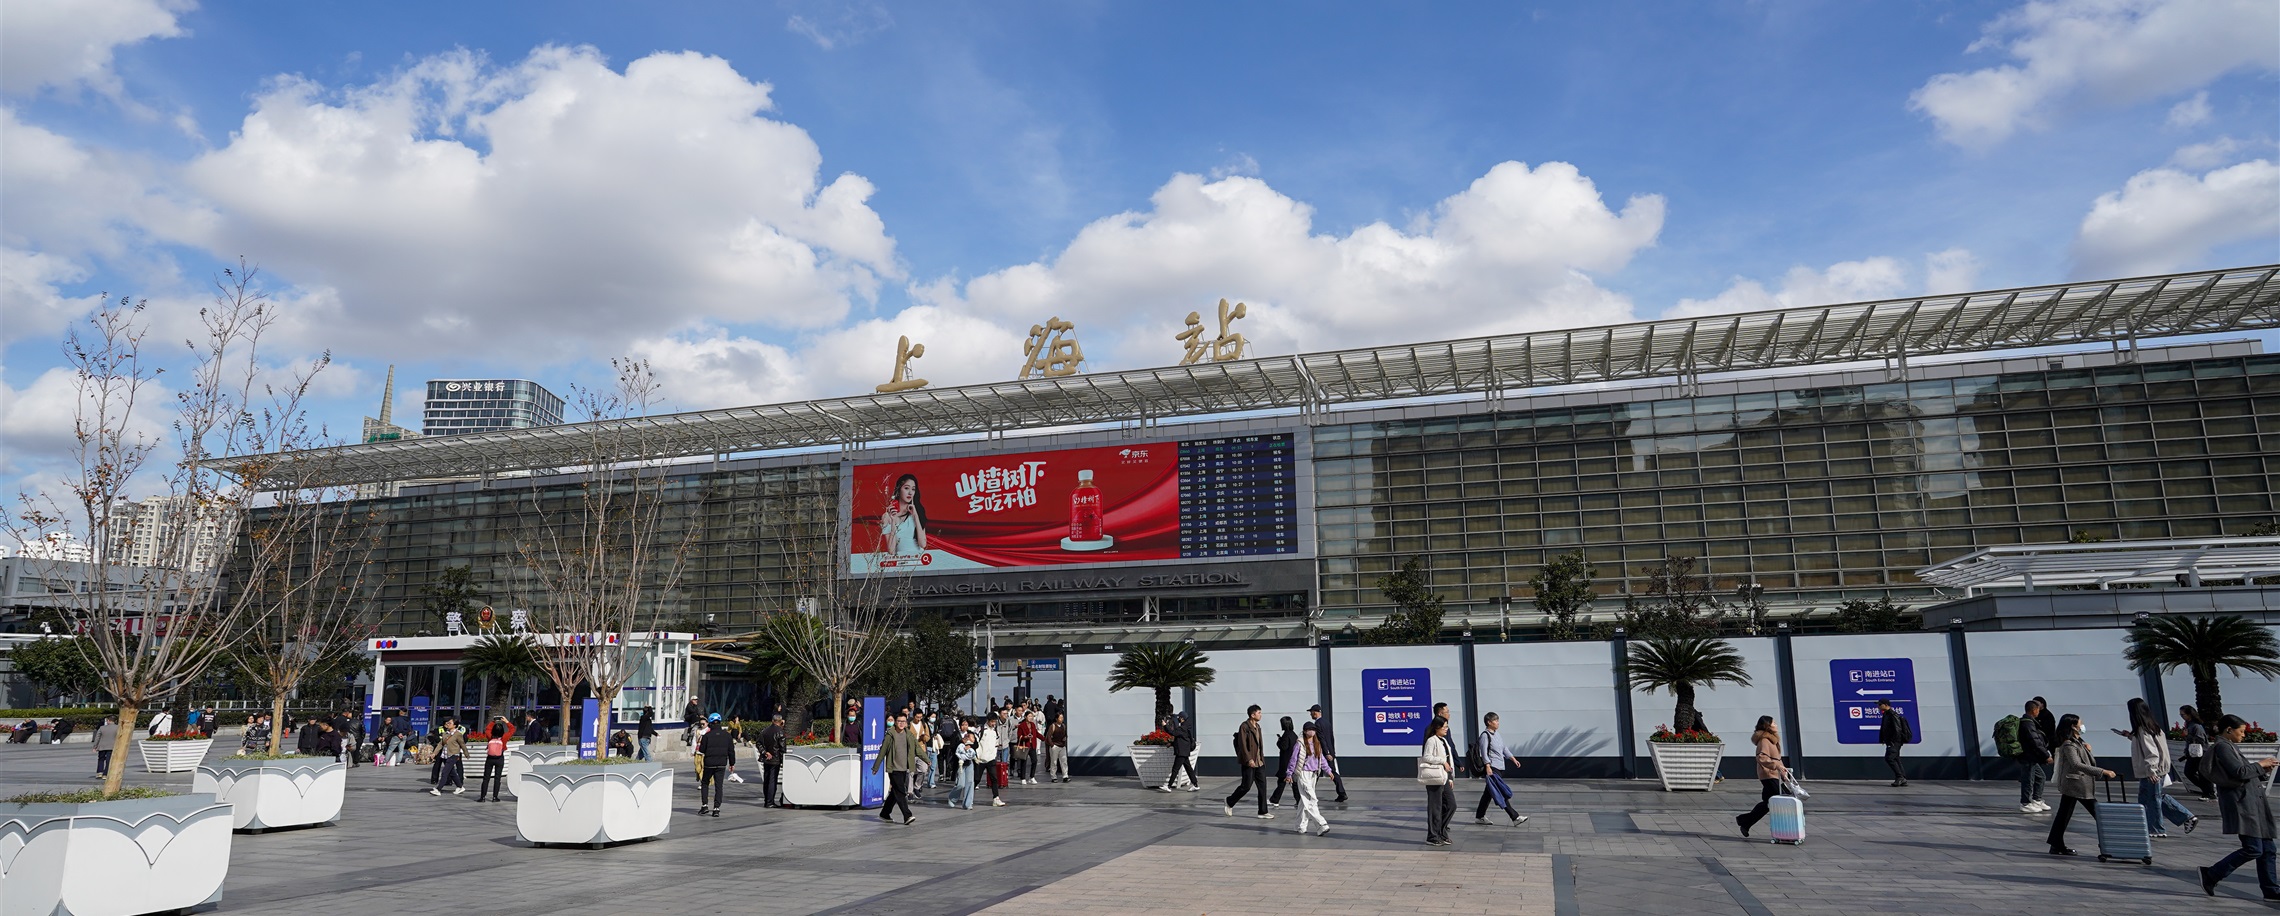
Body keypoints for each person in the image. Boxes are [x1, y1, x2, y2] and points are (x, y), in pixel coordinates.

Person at [2199, 714, 2280, 900]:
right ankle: (2211, 874)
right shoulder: (2222, 747)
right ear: (2229, 730)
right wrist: (2261, 764)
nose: (2243, 735)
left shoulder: (2230, 746)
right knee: (2254, 848)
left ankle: (2271, 889)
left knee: (2268, 849)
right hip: (2244, 804)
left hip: (2253, 803)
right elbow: (2239, 772)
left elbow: (2243, 773)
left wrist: (2262, 771)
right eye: (2241, 731)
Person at [2113, 697, 2196, 836]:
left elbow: (2151, 752)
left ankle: (2158, 828)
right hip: (2157, 769)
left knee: (2152, 798)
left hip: (2152, 770)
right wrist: (2130, 736)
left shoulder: (2143, 730)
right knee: (2148, 797)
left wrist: (2151, 771)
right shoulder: (2153, 727)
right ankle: (2183, 818)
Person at [2045, 713, 2117, 856]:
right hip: (2076, 784)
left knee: (2064, 815)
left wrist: (2087, 750)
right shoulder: (2068, 744)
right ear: (2073, 726)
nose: (2082, 726)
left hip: (2077, 783)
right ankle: (2112, 843)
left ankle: (2056, 844)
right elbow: (2076, 764)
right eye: (2080, 723)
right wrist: (2102, 771)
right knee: (2099, 813)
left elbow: (2086, 760)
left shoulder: (2078, 742)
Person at [1735, 716, 1790, 837]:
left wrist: (1783, 772)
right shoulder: (1764, 740)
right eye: (1774, 723)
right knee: (1782, 799)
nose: (1776, 724)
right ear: (1767, 726)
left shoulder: (1772, 740)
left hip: (1774, 774)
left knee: (1768, 802)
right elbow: (1762, 758)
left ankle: (1745, 822)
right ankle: (1786, 830)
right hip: (1769, 774)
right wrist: (1777, 766)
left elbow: (1777, 759)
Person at [1473, 712, 1528, 826]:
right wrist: (1487, 766)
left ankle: (1479, 816)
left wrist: (1513, 758)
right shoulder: (1485, 735)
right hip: (1492, 767)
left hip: (1499, 766)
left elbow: (1504, 748)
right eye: (1495, 720)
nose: (1498, 723)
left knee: (1488, 793)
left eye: (1498, 720)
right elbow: (1483, 752)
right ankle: (1515, 817)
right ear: (1489, 722)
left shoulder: (1497, 734)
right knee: (1500, 791)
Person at [1224, 705, 1273, 819]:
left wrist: (1261, 758)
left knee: (1262, 787)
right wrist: (1249, 759)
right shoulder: (1244, 726)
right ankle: (1229, 801)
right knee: (1246, 786)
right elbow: (1242, 745)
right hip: (1249, 762)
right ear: (1252, 715)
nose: (1261, 715)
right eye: (1259, 713)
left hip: (1259, 761)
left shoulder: (1258, 726)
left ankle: (1263, 811)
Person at [875, 712, 921, 825]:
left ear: (906, 723)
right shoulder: (890, 735)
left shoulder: (908, 734)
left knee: (895, 792)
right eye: (899, 721)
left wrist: (926, 760)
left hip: (903, 767)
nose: (901, 723)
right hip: (893, 768)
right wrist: (876, 766)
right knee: (900, 791)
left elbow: (917, 748)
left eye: (903, 721)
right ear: (895, 722)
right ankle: (907, 815)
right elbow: (883, 751)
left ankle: (885, 813)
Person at [1289, 721, 1332, 836]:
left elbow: (1321, 759)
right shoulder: (1300, 743)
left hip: (1313, 774)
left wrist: (1328, 770)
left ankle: (1300, 826)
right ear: (1304, 731)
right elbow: (1293, 759)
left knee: (1304, 802)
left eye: (1313, 729)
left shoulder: (1316, 743)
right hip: (1302, 773)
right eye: (1309, 729)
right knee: (1312, 799)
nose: (1312, 731)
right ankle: (1321, 824)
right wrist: (1289, 774)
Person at [1420, 715, 1456, 846]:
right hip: (1435, 778)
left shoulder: (1443, 741)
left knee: (1451, 805)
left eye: (1447, 726)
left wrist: (1450, 777)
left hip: (1445, 777)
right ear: (1437, 727)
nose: (1446, 729)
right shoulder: (1432, 740)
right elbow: (1426, 757)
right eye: (1444, 727)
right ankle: (1432, 836)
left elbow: (1450, 759)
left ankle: (1441, 831)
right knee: (1435, 807)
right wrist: (1442, 761)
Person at [2014, 698, 2053, 813]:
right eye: (2038, 710)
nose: (2039, 712)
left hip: (2031, 757)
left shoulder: (2028, 722)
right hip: (2028, 757)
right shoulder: (2027, 723)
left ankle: (2036, 799)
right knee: (2028, 779)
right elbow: (2035, 741)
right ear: (2034, 710)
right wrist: (2046, 755)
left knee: (2040, 777)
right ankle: (2025, 803)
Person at [1307, 705, 1348, 803]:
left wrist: (1327, 753)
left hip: (1323, 753)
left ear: (1315, 712)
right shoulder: (1326, 722)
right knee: (1331, 772)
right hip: (1330, 751)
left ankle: (1309, 793)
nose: (1310, 714)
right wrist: (1332, 751)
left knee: (1318, 772)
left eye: (1311, 712)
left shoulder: (1317, 724)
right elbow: (1331, 738)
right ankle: (1341, 793)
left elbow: (1322, 739)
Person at [697, 714, 735, 817]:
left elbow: (701, 750)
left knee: (705, 783)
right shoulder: (727, 735)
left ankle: (705, 805)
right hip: (721, 763)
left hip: (709, 763)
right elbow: (731, 751)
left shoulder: (707, 736)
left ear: (709, 723)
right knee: (719, 786)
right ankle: (716, 808)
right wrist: (732, 763)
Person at [2180, 705, 2217, 799]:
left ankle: (2209, 792)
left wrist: (2187, 736)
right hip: (2193, 753)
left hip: (2200, 753)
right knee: (2190, 772)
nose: (2182, 716)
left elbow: (2201, 740)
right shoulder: (2189, 724)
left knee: (2200, 773)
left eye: (2183, 714)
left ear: (2189, 714)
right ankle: (2207, 791)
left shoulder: (2196, 726)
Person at [473, 721, 510, 802]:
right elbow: (512, 729)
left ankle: (482, 797)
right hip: (500, 758)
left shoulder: (490, 737)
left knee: (486, 778)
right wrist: (506, 722)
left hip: (490, 759)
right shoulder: (504, 737)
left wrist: (493, 721)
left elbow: (487, 729)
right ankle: (495, 797)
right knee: (497, 778)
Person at [1877, 698, 1910, 787]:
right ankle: (1903, 778)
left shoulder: (1892, 715)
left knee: (1889, 758)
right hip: (1893, 741)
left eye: (1880, 704)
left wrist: (1892, 741)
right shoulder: (1887, 714)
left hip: (1894, 741)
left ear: (1886, 705)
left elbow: (1897, 729)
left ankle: (1900, 777)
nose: (1878, 706)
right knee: (1896, 759)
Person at [430, 717, 467, 796]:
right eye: (447, 723)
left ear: (454, 725)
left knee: (445, 772)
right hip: (445, 755)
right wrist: (434, 753)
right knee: (452, 772)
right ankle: (460, 786)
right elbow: (441, 744)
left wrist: (466, 753)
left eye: (450, 723)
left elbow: (462, 744)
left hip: (453, 755)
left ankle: (438, 789)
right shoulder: (445, 733)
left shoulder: (458, 734)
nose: (447, 724)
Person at [757, 713, 787, 808]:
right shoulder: (780, 732)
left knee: (767, 779)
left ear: (772, 720)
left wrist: (765, 752)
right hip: (775, 759)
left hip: (767, 758)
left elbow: (758, 743)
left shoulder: (765, 731)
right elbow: (782, 748)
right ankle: (770, 802)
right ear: (781, 721)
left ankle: (767, 800)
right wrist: (783, 760)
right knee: (772, 780)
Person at [1164, 713, 1199, 792]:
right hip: (1184, 751)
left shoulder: (1183, 728)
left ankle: (1168, 787)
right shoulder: (1185, 727)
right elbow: (1181, 740)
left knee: (1175, 769)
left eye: (1179, 717)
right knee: (1188, 768)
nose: (1178, 719)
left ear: (1182, 718)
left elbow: (1173, 732)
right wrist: (1172, 744)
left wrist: (1165, 725)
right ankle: (1195, 785)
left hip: (1181, 752)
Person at [1269, 716, 1299, 807]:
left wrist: (1279, 741)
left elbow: (1284, 747)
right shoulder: (1294, 734)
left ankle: (1275, 799)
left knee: (1282, 782)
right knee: (1292, 783)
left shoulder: (1286, 735)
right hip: (1292, 762)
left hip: (1286, 762)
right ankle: (1299, 800)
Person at [977, 713, 1006, 806]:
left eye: (995, 722)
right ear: (988, 721)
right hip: (980, 759)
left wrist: (994, 755)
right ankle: (968, 796)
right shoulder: (981, 730)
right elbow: (976, 743)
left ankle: (996, 798)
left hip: (991, 759)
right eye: (992, 721)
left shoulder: (995, 731)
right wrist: (977, 756)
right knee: (976, 779)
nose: (994, 723)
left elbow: (996, 743)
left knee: (994, 779)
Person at [951, 725, 978, 809]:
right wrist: (961, 742)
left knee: (970, 783)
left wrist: (970, 746)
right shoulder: (955, 734)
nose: (965, 726)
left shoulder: (971, 733)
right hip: (960, 763)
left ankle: (968, 804)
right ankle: (952, 798)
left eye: (966, 724)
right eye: (963, 724)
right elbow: (952, 747)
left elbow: (976, 744)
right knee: (960, 784)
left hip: (969, 763)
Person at [1046, 713, 1069, 783]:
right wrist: (1052, 745)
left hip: (1062, 746)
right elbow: (1048, 737)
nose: (1061, 719)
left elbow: (1065, 735)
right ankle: (1053, 776)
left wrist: (1064, 740)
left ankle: (1065, 776)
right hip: (1055, 746)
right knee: (1054, 762)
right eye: (1060, 718)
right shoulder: (1052, 726)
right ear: (1056, 719)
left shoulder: (1063, 726)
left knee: (1064, 761)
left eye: (1062, 718)